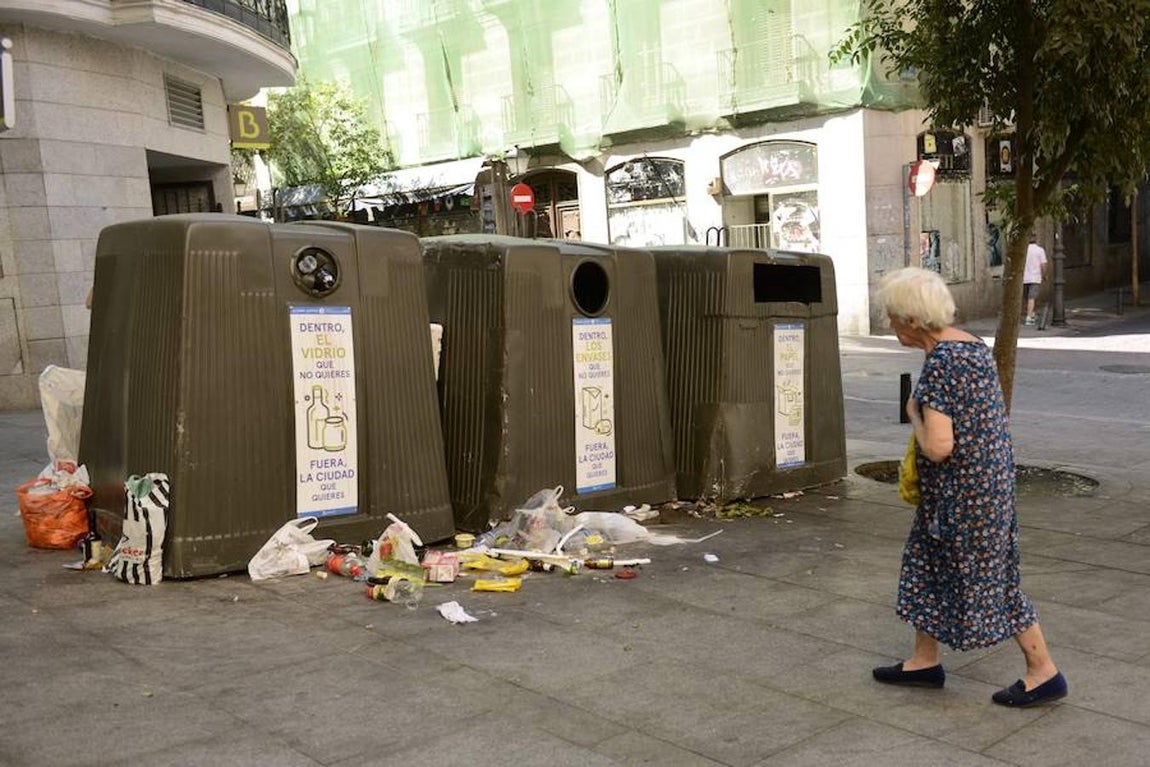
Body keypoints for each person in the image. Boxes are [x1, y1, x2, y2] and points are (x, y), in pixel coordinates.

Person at [872, 267, 1067, 708]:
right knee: (926, 567)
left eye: (892, 316)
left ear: (912, 319)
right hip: (981, 491)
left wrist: (914, 413)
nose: (890, 323)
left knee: (996, 585)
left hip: (965, 501)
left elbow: (940, 446)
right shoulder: (969, 345)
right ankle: (925, 661)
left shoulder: (941, 362)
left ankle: (1044, 671)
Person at [1023, 233, 1047, 325]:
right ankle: (1029, 317)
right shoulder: (1039, 250)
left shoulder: (1024, 250)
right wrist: (1044, 275)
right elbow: (1043, 264)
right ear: (1036, 239)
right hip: (1035, 277)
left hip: (1024, 278)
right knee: (1032, 297)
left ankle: (1031, 313)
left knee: (1027, 297)